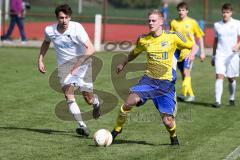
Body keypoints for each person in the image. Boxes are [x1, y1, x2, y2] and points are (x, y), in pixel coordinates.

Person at [111, 9, 198, 145]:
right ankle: (117, 129)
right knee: (128, 102)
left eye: (154, 20)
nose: (150, 23)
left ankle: (173, 136)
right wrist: (123, 63)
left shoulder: (173, 37)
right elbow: (134, 52)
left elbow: (192, 45)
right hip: (148, 80)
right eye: (149, 20)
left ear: (161, 22)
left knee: (167, 121)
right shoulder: (144, 40)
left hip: (166, 84)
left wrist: (191, 53)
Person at [38, 4, 101, 136]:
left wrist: (77, 65)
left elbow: (90, 48)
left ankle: (96, 103)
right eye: (61, 18)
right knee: (68, 94)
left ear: (70, 17)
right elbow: (46, 42)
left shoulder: (77, 28)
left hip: (83, 65)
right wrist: (40, 59)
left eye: (67, 17)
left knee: (88, 98)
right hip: (65, 68)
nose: (64, 20)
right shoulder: (49, 30)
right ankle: (82, 126)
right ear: (57, 18)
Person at [170, 2, 205, 102]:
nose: (181, 12)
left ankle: (183, 93)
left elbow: (200, 36)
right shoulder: (173, 22)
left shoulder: (192, 22)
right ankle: (191, 95)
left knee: (186, 72)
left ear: (187, 11)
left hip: (189, 52)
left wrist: (202, 52)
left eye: (183, 10)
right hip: (178, 53)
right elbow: (172, 37)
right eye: (179, 10)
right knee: (184, 74)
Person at [212, 3, 240, 108]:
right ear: (221, 12)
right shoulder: (217, 25)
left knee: (231, 78)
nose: (225, 14)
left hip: (232, 55)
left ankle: (232, 97)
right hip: (220, 54)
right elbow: (215, 41)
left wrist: (238, 46)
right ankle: (217, 101)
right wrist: (214, 56)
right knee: (219, 75)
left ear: (231, 13)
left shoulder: (237, 23)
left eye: (227, 12)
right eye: (224, 12)